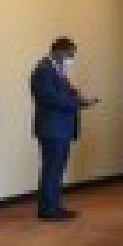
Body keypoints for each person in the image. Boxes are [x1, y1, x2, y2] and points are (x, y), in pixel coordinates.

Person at [30, 36, 98, 220]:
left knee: (58, 169)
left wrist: (79, 96)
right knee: (52, 169)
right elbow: (50, 98)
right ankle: (47, 211)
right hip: (52, 129)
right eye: (70, 55)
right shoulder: (43, 70)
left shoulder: (57, 70)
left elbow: (67, 91)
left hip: (61, 129)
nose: (72, 59)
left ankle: (55, 207)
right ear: (59, 52)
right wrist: (77, 102)